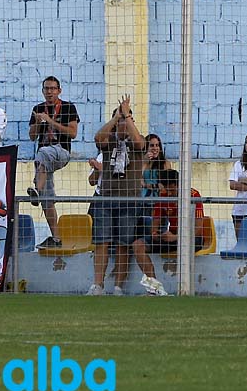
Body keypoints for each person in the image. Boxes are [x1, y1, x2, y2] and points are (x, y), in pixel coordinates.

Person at [88, 96, 146, 296]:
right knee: (101, 242)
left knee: (123, 243)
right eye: (119, 120)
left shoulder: (138, 141)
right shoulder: (108, 142)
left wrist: (127, 115)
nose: (122, 123)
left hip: (129, 200)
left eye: (125, 120)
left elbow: (139, 142)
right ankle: (98, 284)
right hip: (106, 198)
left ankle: (118, 286)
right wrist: (115, 118)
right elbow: (97, 138)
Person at [27, 76, 80, 249]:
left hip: (61, 151)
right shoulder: (38, 109)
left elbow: (73, 133)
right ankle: (56, 238)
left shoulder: (68, 108)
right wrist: (37, 122)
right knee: (46, 199)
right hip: (44, 159)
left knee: (42, 152)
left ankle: (37, 187)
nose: (49, 92)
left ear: (59, 90)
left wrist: (50, 121)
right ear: (43, 91)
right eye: (46, 89)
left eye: (53, 88)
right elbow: (32, 136)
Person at [132, 169, 204, 296]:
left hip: (192, 238)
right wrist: (156, 233)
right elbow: (156, 221)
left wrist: (177, 237)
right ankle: (154, 288)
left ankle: (185, 290)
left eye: (172, 190)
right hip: (172, 237)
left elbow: (198, 229)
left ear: (179, 184)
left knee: (185, 245)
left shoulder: (194, 195)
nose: (169, 193)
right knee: (138, 245)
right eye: (167, 189)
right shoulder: (163, 196)